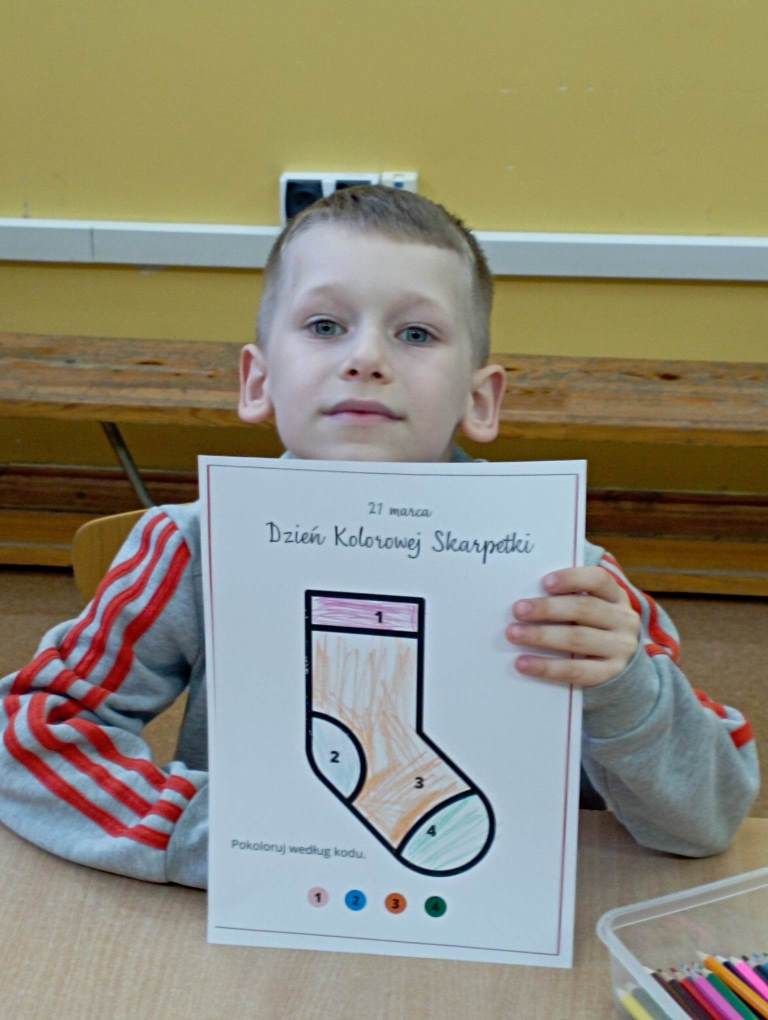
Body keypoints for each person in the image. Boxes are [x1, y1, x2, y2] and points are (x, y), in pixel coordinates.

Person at [0, 186, 758, 889]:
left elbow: (711, 817)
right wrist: (218, 837)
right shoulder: (193, 547)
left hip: (499, 911)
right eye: (325, 326)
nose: (366, 359)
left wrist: (624, 690)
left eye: (416, 333)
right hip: (256, 916)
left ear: (479, 399)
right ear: (258, 382)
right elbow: (29, 734)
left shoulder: (571, 578)